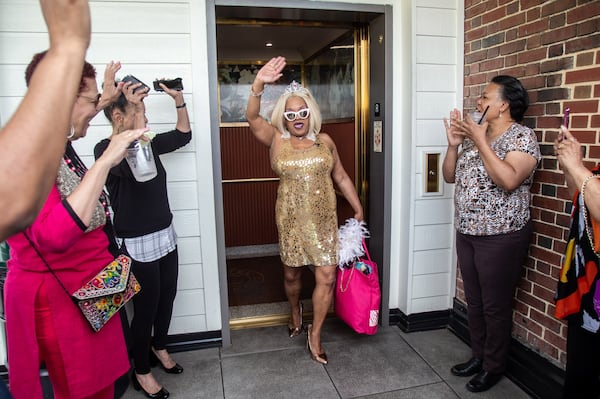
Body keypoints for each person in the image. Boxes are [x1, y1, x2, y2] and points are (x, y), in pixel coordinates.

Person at [4, 52, 149, 399]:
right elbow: (52, 236)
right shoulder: (27, 154)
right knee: (84, 390)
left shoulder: (50, 137)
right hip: (63, 305)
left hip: (90, 291)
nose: (95, 106)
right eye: (90, 100)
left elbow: (72, 119)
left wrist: (104, 100)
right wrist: (106, 159)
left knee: (106, 385)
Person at [245, 56, 364, 365]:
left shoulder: (325, 141)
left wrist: (357, 206)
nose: (297, 117)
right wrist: (258, 84)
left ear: (310, 113)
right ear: (284, 117)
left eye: (302, 112)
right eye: (291, 113)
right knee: (292, 274)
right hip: (291, 219)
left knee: (326, 274)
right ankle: (295, 309)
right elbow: (252, 117)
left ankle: (316, 333)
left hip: (324, 220)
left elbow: (340, 175)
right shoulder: (276, 140)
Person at [442, 75, 540, 392]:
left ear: (503, 105)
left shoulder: (522, 138)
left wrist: (481, 140)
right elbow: (448, 176)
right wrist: (454, 145)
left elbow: (509, 180)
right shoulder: (472, 141)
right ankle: (479, 355)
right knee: (474, 301)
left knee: (495, 305)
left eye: (485, 97)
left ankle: (494, 366)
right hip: (468, 231)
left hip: (502, 235)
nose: (479, 102)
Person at [95, 75, 191, 398]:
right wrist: (130, 118)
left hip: (165, 233)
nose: (146, 120)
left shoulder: (148, 144)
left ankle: (159, 346)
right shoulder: (105, 150)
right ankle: (141, 370)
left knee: (168, 295)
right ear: (119, 118)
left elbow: (182, 136)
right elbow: (120, 160)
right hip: (137, 243)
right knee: (145, 308)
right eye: (140, 112)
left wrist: (178, 99)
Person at [0, 0, 91, 241]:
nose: (95, 110)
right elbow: (10, 204)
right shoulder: (36, 153)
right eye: (93, 101)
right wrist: (68, 46)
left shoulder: (58, 145)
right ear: (70, 99)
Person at [553, 125, 600, 398]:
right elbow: (580, 196)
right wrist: (568, 167)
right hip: (588, 293)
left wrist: (578, 167)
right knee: (580, 373)